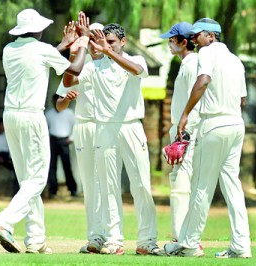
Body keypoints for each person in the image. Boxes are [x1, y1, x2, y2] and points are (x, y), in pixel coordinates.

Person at [0, 8, 90, 254]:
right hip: (31, 116)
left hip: (10, 116)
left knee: (27, 180)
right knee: (38, 178)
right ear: (38, 29)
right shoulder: (42, 50)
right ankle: (4, 221)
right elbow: (74, 70)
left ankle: (35, 239)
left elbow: (35, 59)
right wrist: (82, 42)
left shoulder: (9, 49)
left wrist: (62, 45)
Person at [63, 23, 163, 256]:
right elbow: (68, 81)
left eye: (111, 42)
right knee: (108, 187)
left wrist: (107, 52)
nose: (106, 45)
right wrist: (80, 46)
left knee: (141, 185)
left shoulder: (134, 59)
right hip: (104, 129)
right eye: (103, 41)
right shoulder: (93, 66)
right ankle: (114, 239)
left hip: (130, 127)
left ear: (122, 41)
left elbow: (138, 71)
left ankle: (147, 241)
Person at [164, 18, 252, 258]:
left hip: (213, 124)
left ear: (211, 36)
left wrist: (184, 115)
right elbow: (243, 99)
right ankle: (241, 246)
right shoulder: (236, 60)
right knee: (232, 187)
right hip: (236, 123)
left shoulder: (207, 52)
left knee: (201, 186)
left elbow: (203, 81)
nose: (193, 39)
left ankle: (189, 244)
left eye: (197, 35)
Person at [56, 22, 106, 254]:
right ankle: (94, 237)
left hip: (107, 127)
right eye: (89, 36)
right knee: (89, 183)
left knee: (107, 182)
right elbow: (59, 103)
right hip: (85, 126)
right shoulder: (78, 65)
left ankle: (111, 236)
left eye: (97, 36)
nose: (92, 40)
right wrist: (68, 100)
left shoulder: (112, 62)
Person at [160, 23, 200, 243]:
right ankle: (183, 235)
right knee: (180, 181)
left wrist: (184, 133)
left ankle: (182, 237)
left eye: (172, 40)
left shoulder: (191, 64)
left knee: (181, 184)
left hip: (186, 130)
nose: (168, 43)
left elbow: (198, 98)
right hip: (182, 129)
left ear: (184, 42)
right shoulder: (187, 64)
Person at [45, 94, 77, 198]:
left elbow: (76, 126)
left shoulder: (69, 113)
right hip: (53, 140)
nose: (56, 104)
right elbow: (45, 129)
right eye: (54, 101)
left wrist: (71, 138)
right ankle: (53, 190)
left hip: (65, 140)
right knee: (52, 166)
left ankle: (72, 189)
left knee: (67, 165)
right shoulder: (49, 114)